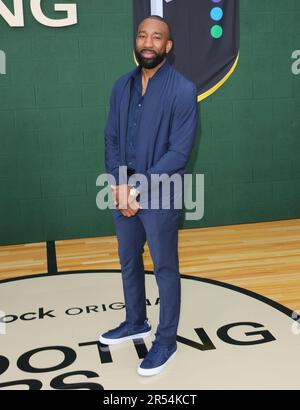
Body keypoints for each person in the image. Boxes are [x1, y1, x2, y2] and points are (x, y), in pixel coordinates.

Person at [99, 15, 198, 377]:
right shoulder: (120, 86)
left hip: (161, 196)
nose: (148, 42)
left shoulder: (183, 90)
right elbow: (111, 138)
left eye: (157, 37)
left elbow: (178, 153)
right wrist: (121, 185)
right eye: (143, 35)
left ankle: (167, 341)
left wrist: (136, 187)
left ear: (167, 47)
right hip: (124, 193)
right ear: (136, 41)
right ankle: (135, 321)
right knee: (128, 260)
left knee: (165, 269)